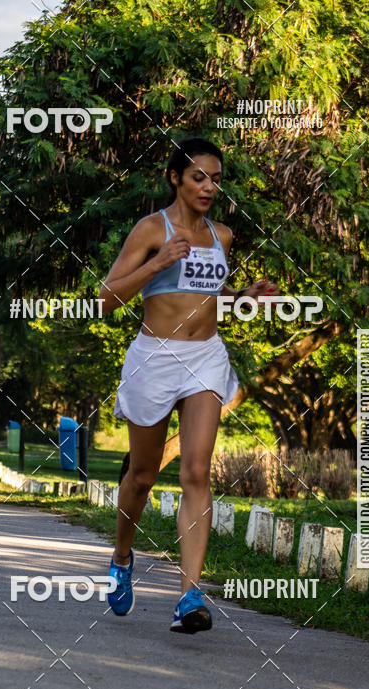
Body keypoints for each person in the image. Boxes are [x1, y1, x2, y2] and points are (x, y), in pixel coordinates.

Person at [100, 137, 276, 634]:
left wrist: (243, 296)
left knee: (197, 472)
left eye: (215, 179)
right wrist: (157, 263)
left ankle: (189, 596)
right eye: (199, 177)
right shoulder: (151, 229)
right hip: (154, 359)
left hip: (205, 358)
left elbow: (207, 296)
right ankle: (122, 556)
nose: (208, 187)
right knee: (142, 476)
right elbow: (106, 299)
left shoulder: (222, 235)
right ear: (175, 177)